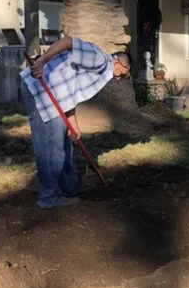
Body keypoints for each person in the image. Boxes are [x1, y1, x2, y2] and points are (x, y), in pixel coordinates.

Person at [21, 35, 132, 209]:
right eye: (122, 75)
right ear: (118, 63)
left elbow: (71, 90)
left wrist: (72, 123)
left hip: (57, 97)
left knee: (65, 144)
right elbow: (67, 42)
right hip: (41, 91)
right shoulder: (99, 59)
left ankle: (68, 190)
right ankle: (49, 198)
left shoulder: (100, 72)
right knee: (51, 147)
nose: (119, 79)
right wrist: (41, 62)